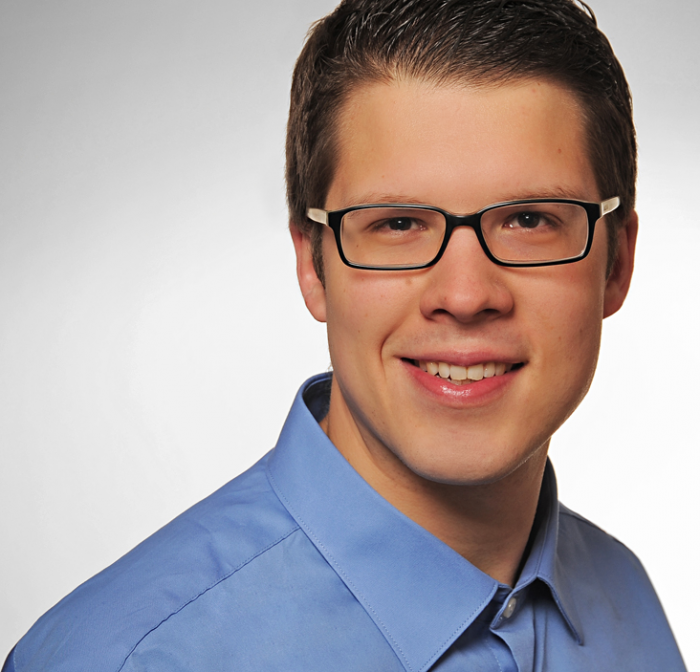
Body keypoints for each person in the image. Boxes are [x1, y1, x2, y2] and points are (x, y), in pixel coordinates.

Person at [2, 0, 686, 670]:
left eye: (530, 220)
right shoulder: (124, 660)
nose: (465, 296)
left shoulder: (629, 603)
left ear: (617, 264)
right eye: (397, 223)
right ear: (313, 266)